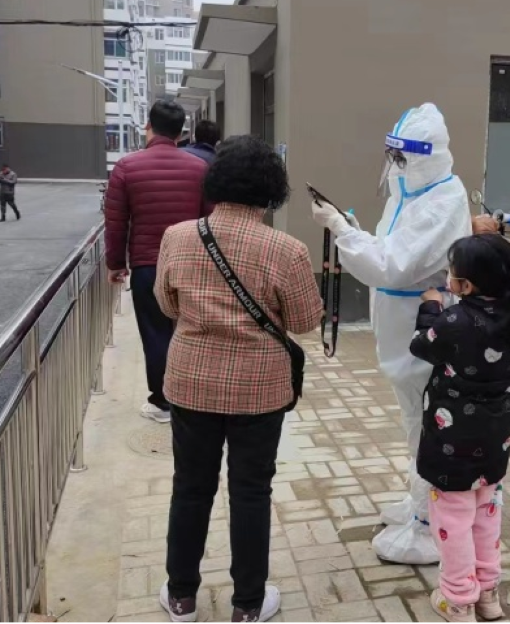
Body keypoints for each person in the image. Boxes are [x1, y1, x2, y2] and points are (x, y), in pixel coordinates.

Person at [155, 135, 322, 624]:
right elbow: (305, 320)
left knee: (190, 486)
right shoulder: (286, 249)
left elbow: (166, 303)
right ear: (272, 189)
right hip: (259, 388)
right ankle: (248, 604)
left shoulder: (177, 237)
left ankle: (181, 597)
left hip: (190, 380)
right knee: (251, 491)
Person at [311, 103, 472, 565]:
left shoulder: (443, 200)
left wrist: (342, 231)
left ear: (426, 156)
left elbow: (392, 265)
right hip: (400, 326)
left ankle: (428, 523)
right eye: (393, 156)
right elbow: (388, 248)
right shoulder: (411, 192)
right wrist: (355, 232)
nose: (396, 166)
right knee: (413, 417)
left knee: (428, 420)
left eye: (404, 158)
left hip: (422, 327)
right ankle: (419, 499)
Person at [412, 234, 510, 623]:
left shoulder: (454, 321)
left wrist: (431, 307)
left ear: (464, 285)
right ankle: (487, 595)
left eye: (452, 273)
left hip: (453, 439)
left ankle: (457, 600)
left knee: (452, 515)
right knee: (487, 510)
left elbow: (421, 346)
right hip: (497, 435)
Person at [104, 100, 209, 424]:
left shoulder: (126, 167)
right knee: (191, 331)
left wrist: (115, 264)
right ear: (181, 132)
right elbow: (210, 220)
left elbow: (116, 222)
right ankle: (193, 396)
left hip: (148, 266)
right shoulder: (200, 169)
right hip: (191, 264)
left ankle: (163, 403)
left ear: (148, 126)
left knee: (155, 333)